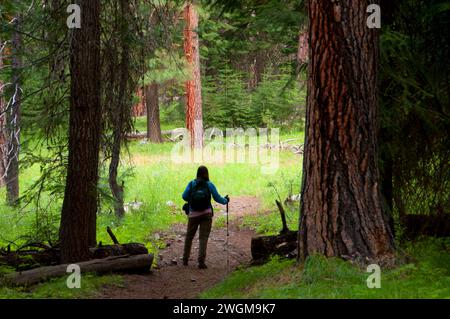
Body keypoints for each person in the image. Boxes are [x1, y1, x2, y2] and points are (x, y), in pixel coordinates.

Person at [182, 165, 229, 269]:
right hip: (206, 214)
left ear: (197, 173)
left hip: (193, 214)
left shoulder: (191, 183)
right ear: (207, 174)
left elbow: (184, 196)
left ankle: (185, 259)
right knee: (203, 238)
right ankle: (201, 262)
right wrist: (226, 201)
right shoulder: (209, 184)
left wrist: (192, 199)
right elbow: (217, 198)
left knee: (189, 237)